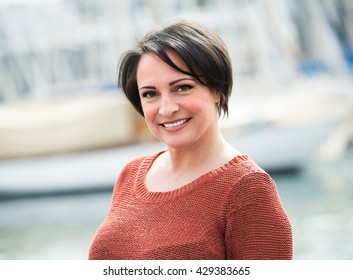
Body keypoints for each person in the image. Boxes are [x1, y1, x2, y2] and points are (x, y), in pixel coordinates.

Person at [88, 20, 293, 260]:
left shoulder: (249, 189)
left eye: (183, 88)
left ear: (217, 90)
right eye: (151, 94)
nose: (166, 108)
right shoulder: (130, 174)